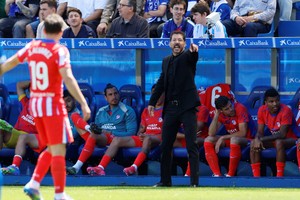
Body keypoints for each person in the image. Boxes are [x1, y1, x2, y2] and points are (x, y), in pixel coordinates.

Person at [0, 13, 90, 200]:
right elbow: (68, 77)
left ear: (44, 30)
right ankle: (59, 193)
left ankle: (34, 183)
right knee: (59, 147)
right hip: (52, 104)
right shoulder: (60, 50)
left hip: (36, 105)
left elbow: (10, 63)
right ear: (60, 32)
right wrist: (82, 102)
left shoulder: (32, 47)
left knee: (53, 146)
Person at [148, 30, 200, 187]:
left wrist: (194, 51)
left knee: (191, 144)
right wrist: (152, 102)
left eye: (180, 40)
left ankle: (194, 183)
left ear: (184, 43)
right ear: (169, 43)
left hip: (187, 107)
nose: (177, 42)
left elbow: (193, 57)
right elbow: (161, 83)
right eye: (174, 40)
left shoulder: (187, 57)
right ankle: (165, 181)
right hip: (171, 108)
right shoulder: (166, 60)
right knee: (165, 146)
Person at [0, 89, 84, 176]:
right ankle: (15, 167)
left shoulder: (78, 115)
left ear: (74, 100)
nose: (66, 104)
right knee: (23, 137)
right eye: (63, 101)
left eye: (69, 101)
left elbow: (72, 135)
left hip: (62, 143)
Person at [87, 84, 164, 176]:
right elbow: (141, 130)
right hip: (145, 137)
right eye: (154, 94)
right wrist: (140, 134)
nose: (156, 96)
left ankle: (134, 167)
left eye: (159, 93)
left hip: (159, 138)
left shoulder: (168, 110)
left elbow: (169, 130)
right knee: (117, 139)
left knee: (147, 138)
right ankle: (100, 168)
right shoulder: (146, 110)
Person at [66, 83, 137, 175]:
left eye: (115, 93)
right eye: (110, 95)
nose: (114, 96)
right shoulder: (101, 111)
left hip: (115, 139)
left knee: (93, 134)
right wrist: (96, 130)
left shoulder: (128, 110)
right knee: (74, 116)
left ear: (119, 95)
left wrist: (111, 133)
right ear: (105, 97)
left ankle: (76, 167)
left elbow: (131, 134)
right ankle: (88, 128)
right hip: (99, 138)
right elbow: (97, 129)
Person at [250, 88, 297, 177]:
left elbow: (282, 134)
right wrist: (257, 139)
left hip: (291, 140)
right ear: (266, 102)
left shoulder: (285, 110)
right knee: (254, 143)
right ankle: (256, 177)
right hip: (275, 140)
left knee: (279, 142)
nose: (275, 104)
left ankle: (279, 176)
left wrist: (261, 139)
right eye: (271, 101)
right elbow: (260, 131)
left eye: (277, 101)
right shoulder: (262, 110)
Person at [204, 96, 254, 177]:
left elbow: (243, 133)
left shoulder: (240, 108)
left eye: (231, 106)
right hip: (232, 139)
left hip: (248, 140)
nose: (231, 109)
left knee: (234, 139)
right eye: (227, 109)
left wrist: (223, 137)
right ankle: (217, 174)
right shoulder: (220, 114)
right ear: (221, 111)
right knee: (208, 140)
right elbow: (211, 133)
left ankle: (230, 175)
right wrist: (216, 115)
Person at [173, 104, 210, 176]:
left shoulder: (202, 108)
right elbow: (171, 131)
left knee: (193, 141)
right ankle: (168, 175)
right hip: (185, 138)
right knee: (168, 141)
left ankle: (189, 173)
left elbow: (197, 128)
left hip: (200, 138)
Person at [0, 81, 36, 152]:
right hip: (14, 132)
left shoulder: (46, 110)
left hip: (26, 137)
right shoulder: (26, 102)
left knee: (1, 127)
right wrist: (35, 81)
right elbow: (19, 85)